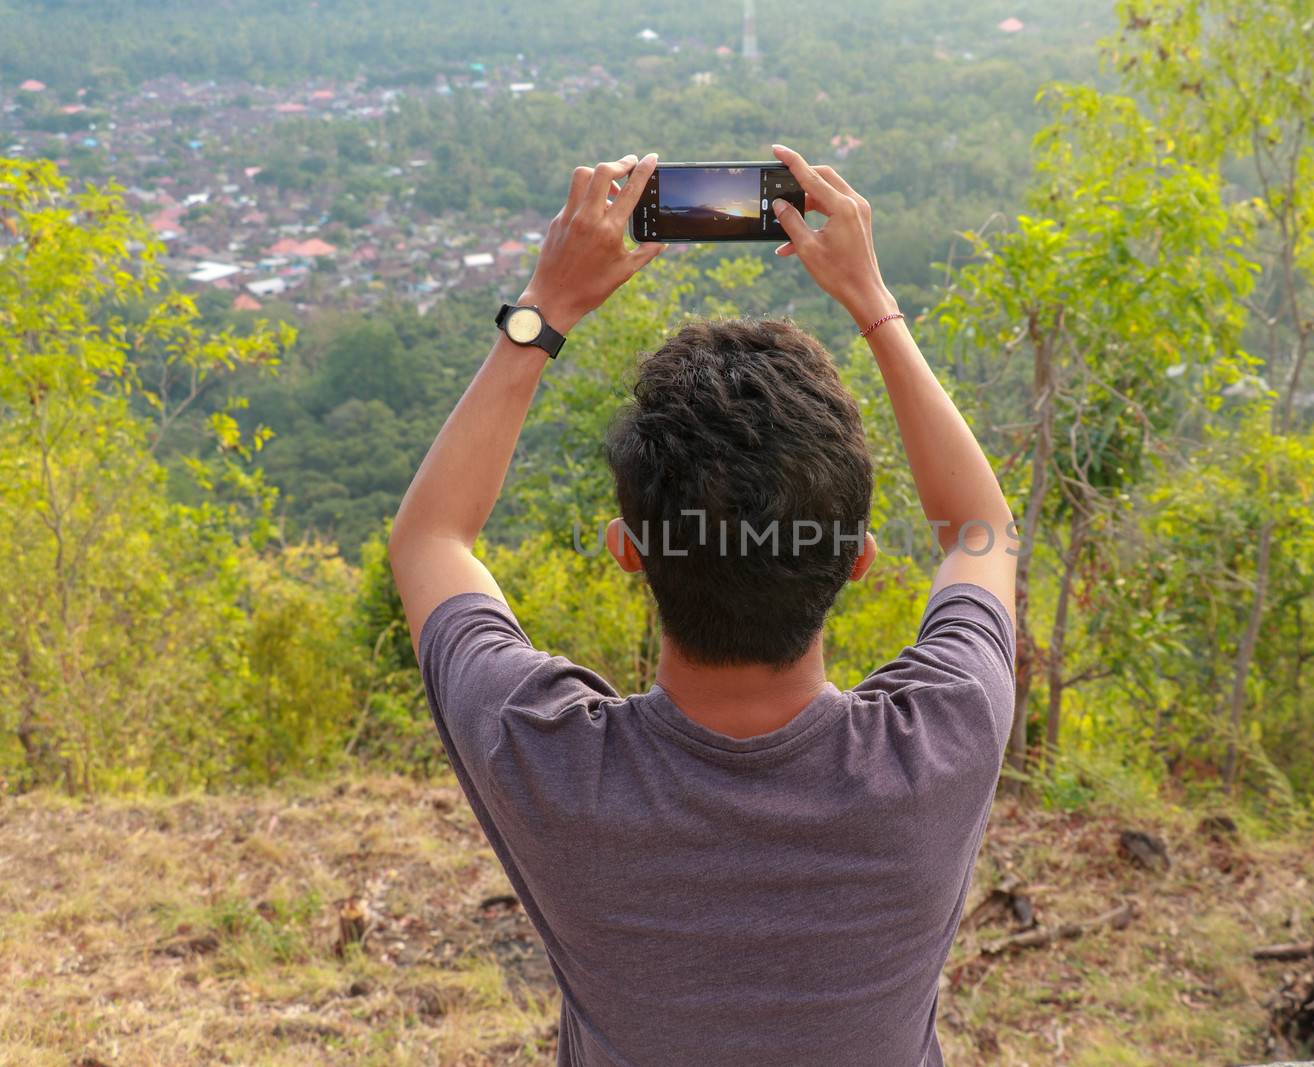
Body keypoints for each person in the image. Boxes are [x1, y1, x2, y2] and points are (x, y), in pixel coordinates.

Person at [388, 145, 1019, 1067]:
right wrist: (873, 306)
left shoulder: (551, 763)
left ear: (628, 553)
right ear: (857, 565)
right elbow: (981, 529)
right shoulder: (939, 748)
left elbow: (430, 539)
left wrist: (545, 310)